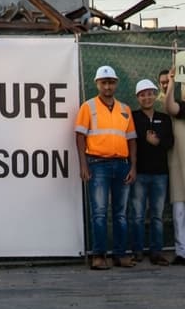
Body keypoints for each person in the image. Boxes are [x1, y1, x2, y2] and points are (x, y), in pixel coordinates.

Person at [75, 64, 137, 269]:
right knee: (99, 213)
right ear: (97, 84)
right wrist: (83, 164)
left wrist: (133, 167)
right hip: (97, 164)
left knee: (121, 214)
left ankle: (120, 254)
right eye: (104, 83)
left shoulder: (125, 109)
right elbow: (80, 136)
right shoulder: (88, 107)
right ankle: (99, 256)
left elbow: (131, 140)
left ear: (116, 84)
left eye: (111, 82)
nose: (108, 86)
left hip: (122, 165)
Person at [129, 77, 172, 264]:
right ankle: (137, 251)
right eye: (142, 95)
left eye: (149, 94)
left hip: (160, 174)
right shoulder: (132, 117)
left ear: (155, 95)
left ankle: (156, 252)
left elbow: (170, 142)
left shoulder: (165, 118)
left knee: (157, 216)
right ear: (137, 98)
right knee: (138, 215)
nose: (146, 98)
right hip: (139, 173)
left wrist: (157, 142)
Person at [159, 64, 185, 265]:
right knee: (179, 210)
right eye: (163, 83)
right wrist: (172, 83)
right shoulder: (162, 101)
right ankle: (181, 251)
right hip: (176, 164)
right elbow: (170, 106)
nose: (166, 85)